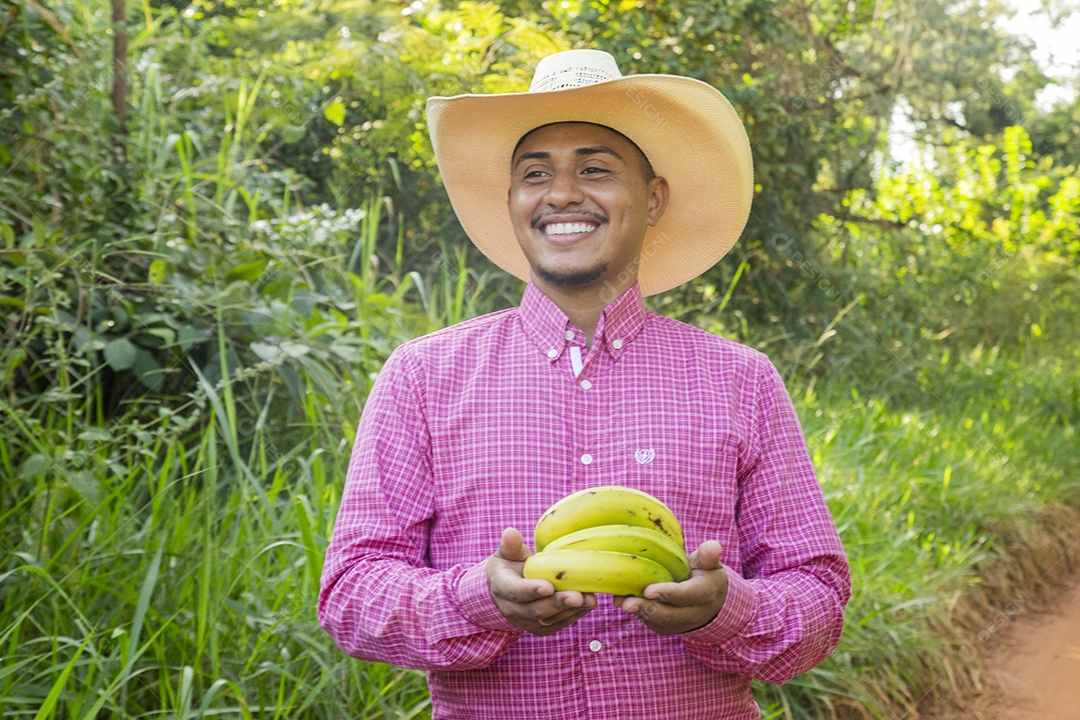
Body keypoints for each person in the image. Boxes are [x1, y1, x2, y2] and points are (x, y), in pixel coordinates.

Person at [318, 49, 851, 719]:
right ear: (512, 203)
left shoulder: (741, 381)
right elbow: (350, 594)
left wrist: (726, 609)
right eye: (535, 174)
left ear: (653, 198)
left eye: (595, 169)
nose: (562, 193)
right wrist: (477, 599)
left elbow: (819, 599)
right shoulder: (423, 378)